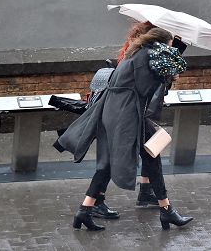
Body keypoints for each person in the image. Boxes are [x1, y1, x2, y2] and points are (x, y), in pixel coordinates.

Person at [55, 27, 193, 231]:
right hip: (127, 114)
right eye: (171, 44)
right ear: (163, 42)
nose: (171, 48)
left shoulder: (135, 52)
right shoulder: (147, 55)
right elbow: (145, 89)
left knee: (115, 162)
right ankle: (167, 212)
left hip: (115, 112)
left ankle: (84, 211)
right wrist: (167, 79)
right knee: (147, 158)